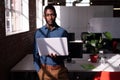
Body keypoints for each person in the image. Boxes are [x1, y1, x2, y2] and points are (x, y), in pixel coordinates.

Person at [33, 5, 69, 80]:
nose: (50, 17)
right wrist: (38, 70)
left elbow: (67, 54)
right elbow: (35, 54)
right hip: (45, 70)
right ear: (44, 16)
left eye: (52, 14)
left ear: (55, 15)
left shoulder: (63, 32)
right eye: (48, 15)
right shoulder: (39, 33)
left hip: (60, 69)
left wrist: (58, 56)